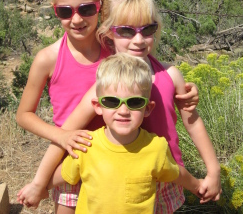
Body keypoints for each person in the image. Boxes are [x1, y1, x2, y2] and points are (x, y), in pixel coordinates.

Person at [17, 0, 221, 212]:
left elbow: (192, 122)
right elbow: (66, 136)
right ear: (109, 33)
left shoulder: (170, 75)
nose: (138, 40)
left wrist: (213, 171)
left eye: (148, 30)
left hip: (164, 175)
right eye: (126, 30)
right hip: (112, 175)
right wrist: (39, 183)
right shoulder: (104, 83)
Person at [58, 53, 203, 213]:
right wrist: (38, 188)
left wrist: (197, 186)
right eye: (112, 102)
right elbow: (64, 174)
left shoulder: (156, 148)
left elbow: (176, 173)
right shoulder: (86, 145)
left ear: (148, 108)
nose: (123, 111)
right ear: (98, 106)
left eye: (134, 102)